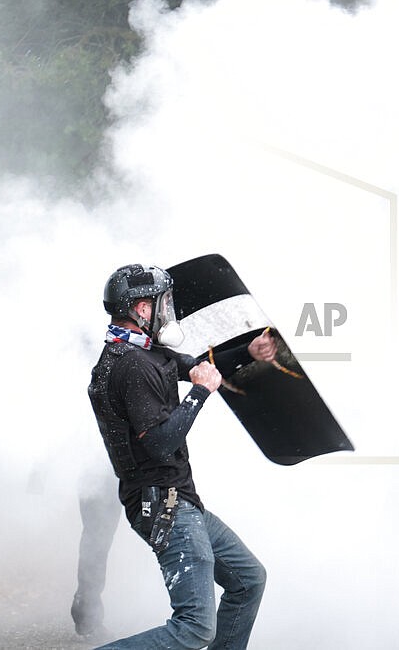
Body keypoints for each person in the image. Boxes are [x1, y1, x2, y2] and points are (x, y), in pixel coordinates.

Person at [88, 263, 269, 649]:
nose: (168, 310)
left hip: (179, 498)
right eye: (162, 302)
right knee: (193, 628)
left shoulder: (145, 351)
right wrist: (199, 394)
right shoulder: (130, 366)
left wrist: (246, 352)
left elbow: (194, 367)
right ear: (140, 309)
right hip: (163, 505)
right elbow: (158, 443)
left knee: (248, 579)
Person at [71, 466, 121, 641]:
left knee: (98, 541)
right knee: (97, 542)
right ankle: (87, 619)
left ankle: (87, 614)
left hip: (112, 477)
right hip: (100, 478)